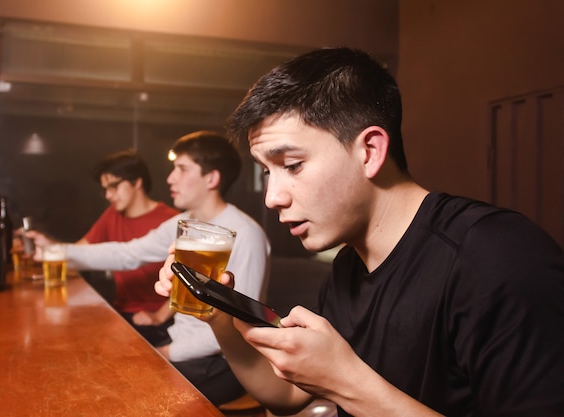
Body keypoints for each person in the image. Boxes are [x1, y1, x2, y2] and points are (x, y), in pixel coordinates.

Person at [155, 48, 564, 416]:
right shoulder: (349, 265)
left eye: (292, 165)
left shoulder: (497, 256)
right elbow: (286, 397)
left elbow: (343, 385)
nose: (273, 198)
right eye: (267, 172)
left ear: (369, 151)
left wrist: (346, 381)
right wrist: (219, 320)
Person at [34, 131, 270, 406]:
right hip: (180, 343)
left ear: (212, 178)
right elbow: (127, 253)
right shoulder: (185, 223)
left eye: (181, 169)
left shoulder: (245, 233)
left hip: (225, 362)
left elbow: (238, 327)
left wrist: (165, 352)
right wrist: (54, 251)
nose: (170, 178)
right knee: (96, 358)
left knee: (121, 386)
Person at [82, 149, 178, 346]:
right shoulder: (112, 215)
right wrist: (47, 249)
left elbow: (191, 281)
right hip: (121, 314)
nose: (108, 195)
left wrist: (159, 316)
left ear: (137, 182)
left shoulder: (171, 220)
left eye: (114, 186)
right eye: (105, 189)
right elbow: (81, 251)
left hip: (157, 321)